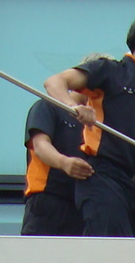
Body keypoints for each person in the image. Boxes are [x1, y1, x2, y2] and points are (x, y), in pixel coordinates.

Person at [42, 13, 135, 237]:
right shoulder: (111, 71)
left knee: (122, 249)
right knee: (111, 247)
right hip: (103, 178)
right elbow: (55, 82)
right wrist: (74, 106)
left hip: (132, 189)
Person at [20, 98, 91, 235]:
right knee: (39, 247)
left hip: (81, 204)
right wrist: (64, 162)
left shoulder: (96, 121)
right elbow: (40, 145)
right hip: (47, 197)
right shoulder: (49, 106)